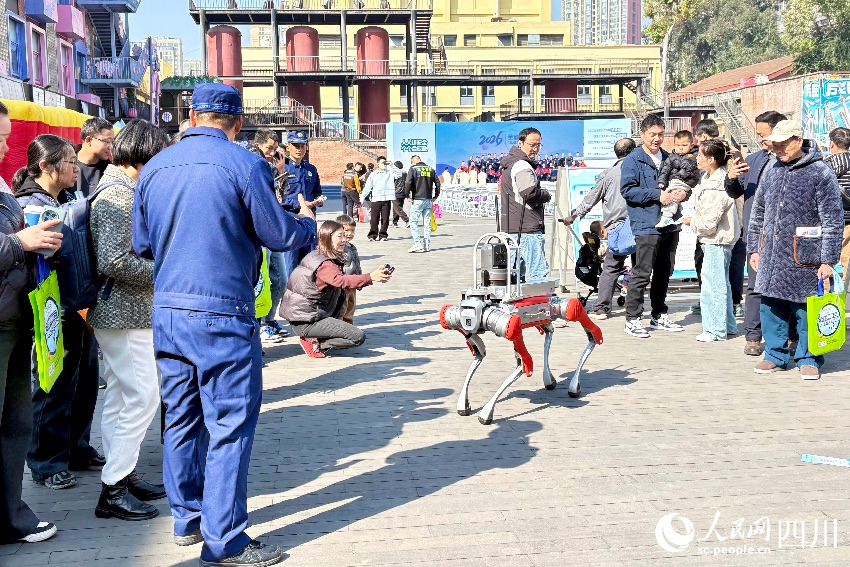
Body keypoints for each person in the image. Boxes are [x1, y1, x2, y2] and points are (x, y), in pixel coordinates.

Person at [133, 83, 317, 567]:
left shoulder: (155, 167)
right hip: (222, 312)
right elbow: (277, 234)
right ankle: (226, 540)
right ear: (237, 122)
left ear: (192, 116)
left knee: (181, 417)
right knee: (230, 424)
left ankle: (187, 517)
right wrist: (305, 223)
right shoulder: (244, 164)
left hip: (169, 312)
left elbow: (143, 245)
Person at [87, 119, 170, 521]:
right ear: (142, 155)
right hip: (124, 312)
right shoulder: (117, 196)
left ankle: (122, 473)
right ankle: (113, 489)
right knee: (143, 396)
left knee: (121, 396)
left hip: (123, 312)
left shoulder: (120, 187)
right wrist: (168, 270)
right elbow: (114, 261)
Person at [14, 135, 105, 489]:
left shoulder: (67, 198)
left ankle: (77, 447)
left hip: (78, 302)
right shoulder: (28, 207)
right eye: (68, 161)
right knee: (52, 384)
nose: (75, 167)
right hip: (52, 304)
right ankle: (46, 462)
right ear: (45, 167)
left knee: (84, 381)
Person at [0, 101, 63, 545]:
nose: (5, 146)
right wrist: (20, 241)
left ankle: (11, 517)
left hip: (15, 316)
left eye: (5, 137)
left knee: (15, 426)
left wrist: (38, 241)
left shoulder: (3, 185)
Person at [747, 120, 842, 379]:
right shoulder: (771, 169)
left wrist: (828, 260)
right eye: (774, 144)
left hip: (806, 256)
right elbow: (758, 212)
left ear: (798, 141)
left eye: (782, 144)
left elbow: (832, 220)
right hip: (772, 254)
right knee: (771, 307)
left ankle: (809, 357)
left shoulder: (820, 172)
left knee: (806, 310)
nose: (777, 149)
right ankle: (774, 355)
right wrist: (754, 248)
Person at [281, 221, 392, 359]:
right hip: (306, 320)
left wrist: (372, 277)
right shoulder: (324, 264)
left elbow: (345, 280)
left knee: (341, 294)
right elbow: (341, 280)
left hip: (306, 315)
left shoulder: (318, 254)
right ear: (328, 237)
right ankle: (313, 342)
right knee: (357, 337)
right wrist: (370, 277)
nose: (344, 240)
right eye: (340, 236)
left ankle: (315, 336)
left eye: (344, 236)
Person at [620, 114, 688, 338]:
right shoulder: (633, 160)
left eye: (660, 134)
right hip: (646, 225)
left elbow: (683, 182)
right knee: (642, 273)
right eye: (652, 135)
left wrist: (682, 193)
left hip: (670, 224)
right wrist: (656, 194)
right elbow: (628, 191)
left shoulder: (669, 158)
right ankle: (633, 318)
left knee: (664, 272)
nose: (657, 139)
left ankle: (659, 314)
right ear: (642, 135)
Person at [725, 110, 787, 355]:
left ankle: (790, 336)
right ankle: (753, 336)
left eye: (764, 134)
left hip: (785, 235)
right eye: (758, 135)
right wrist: (731, 178)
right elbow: (735, 191)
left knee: (787, 287)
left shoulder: (794, 160)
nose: (760, 139)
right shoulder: (753, 160)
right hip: (757, 234)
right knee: (755, 286)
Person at [564, 138, 636, 319]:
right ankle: (636, 309)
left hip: (618, 227)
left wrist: (575, 215)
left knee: (611, 267)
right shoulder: (642, 170)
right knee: (641, 268)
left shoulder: (609, 174)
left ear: (616, 154)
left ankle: (601, 308)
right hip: (639, 224)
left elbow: (592, 197)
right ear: (634, 151)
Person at [681, 139, 739, 342]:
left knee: (712, 286)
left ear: (712, 159)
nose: (697, 158)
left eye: (700, 155)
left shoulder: (717, 184)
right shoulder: (710, 177)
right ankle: (727, 325)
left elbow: (708, 222)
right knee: (721, 283)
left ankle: (715, 330)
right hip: (717, 240)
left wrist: (691, 221)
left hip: (716, 240)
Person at [499, 127, 552, 278]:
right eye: (532, 144)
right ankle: (540, 295)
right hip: (527, 226)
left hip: (512, 226)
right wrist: (546, 195)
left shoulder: (511, 163)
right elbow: (529, 193)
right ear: (520, 143)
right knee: (538, 273)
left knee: (513, 277)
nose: (535, 149)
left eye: (538, 145)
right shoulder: (522, 165)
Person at [280, 130, 322, 281]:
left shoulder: (311, 169)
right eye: (295, 145)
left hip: (309, 221)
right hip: (291, 219)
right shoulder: (282, 168)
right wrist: (300, 204)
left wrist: (318, 200)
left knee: (309, 263)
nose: (299, 149)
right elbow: (278, 197)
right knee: (290, 264)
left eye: (302, 146)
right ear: (288, 147)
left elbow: (317, 191)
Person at [655, 133, 700, 229]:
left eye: (684, 145)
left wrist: (685, 165)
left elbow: (694, 170)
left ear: (691, 145)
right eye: (677, 145)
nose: (680, 148)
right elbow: (665, 170)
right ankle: (669, 216)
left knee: (672, 193)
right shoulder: (671, 157)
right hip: (674, 181)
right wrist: (662, 181)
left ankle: (667, 216)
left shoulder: (695, 156)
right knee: (670, 193)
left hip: (687, 181)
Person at [824, 127, 850, 279]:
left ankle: (826, 293)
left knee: (826, 262)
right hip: (849, 220)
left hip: (831, 219)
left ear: (832, 144)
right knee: (848, 261)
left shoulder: (826, 165)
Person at [362, 156, 402, 241]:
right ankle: (372, 235)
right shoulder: (373, 174)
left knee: (385, 218)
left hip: (386, 198)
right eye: (382, 163)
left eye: (385, 163)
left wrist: (392, 165)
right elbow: (368, 187)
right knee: (374, 218)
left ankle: (383, 235)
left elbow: (399, 174)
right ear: (378, 163)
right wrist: (362, 197)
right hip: (376, 199)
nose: (384, 164)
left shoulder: (390, 173)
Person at [406, 155, 440, 253]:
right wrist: (435, 196)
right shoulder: (430, 169)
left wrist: (407, 195)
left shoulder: (413, 169)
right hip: (428, 199)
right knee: (427, 223)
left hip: (417, 199)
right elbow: (438, 183)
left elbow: (408, 182)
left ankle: (417, 243)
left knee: (413, 222)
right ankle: (427, 245)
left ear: (413, 161)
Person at [75, 117, 113, 197]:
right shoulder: (65, 164)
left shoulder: (110, 171)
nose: (110, 146)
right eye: (106, 141)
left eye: (112, 142)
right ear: (88, 140)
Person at [336, 215, 361, 324]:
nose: (349, 233)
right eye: (346, 230)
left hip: (353, 283)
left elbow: (357, 264)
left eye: (352, 230)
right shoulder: (337, 247)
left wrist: (360, 279)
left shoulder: (352, 247)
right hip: (343, 284)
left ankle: (349, 327)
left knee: (351, 307)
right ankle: (340, 328)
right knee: (342, 308)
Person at [391, 160, 409, 228]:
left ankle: (407, 220)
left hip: (396, 192)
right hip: (403, 192)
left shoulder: (395, 173)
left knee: (398, 208)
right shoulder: (405, 173)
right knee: (396, 208)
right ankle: (394, 222)